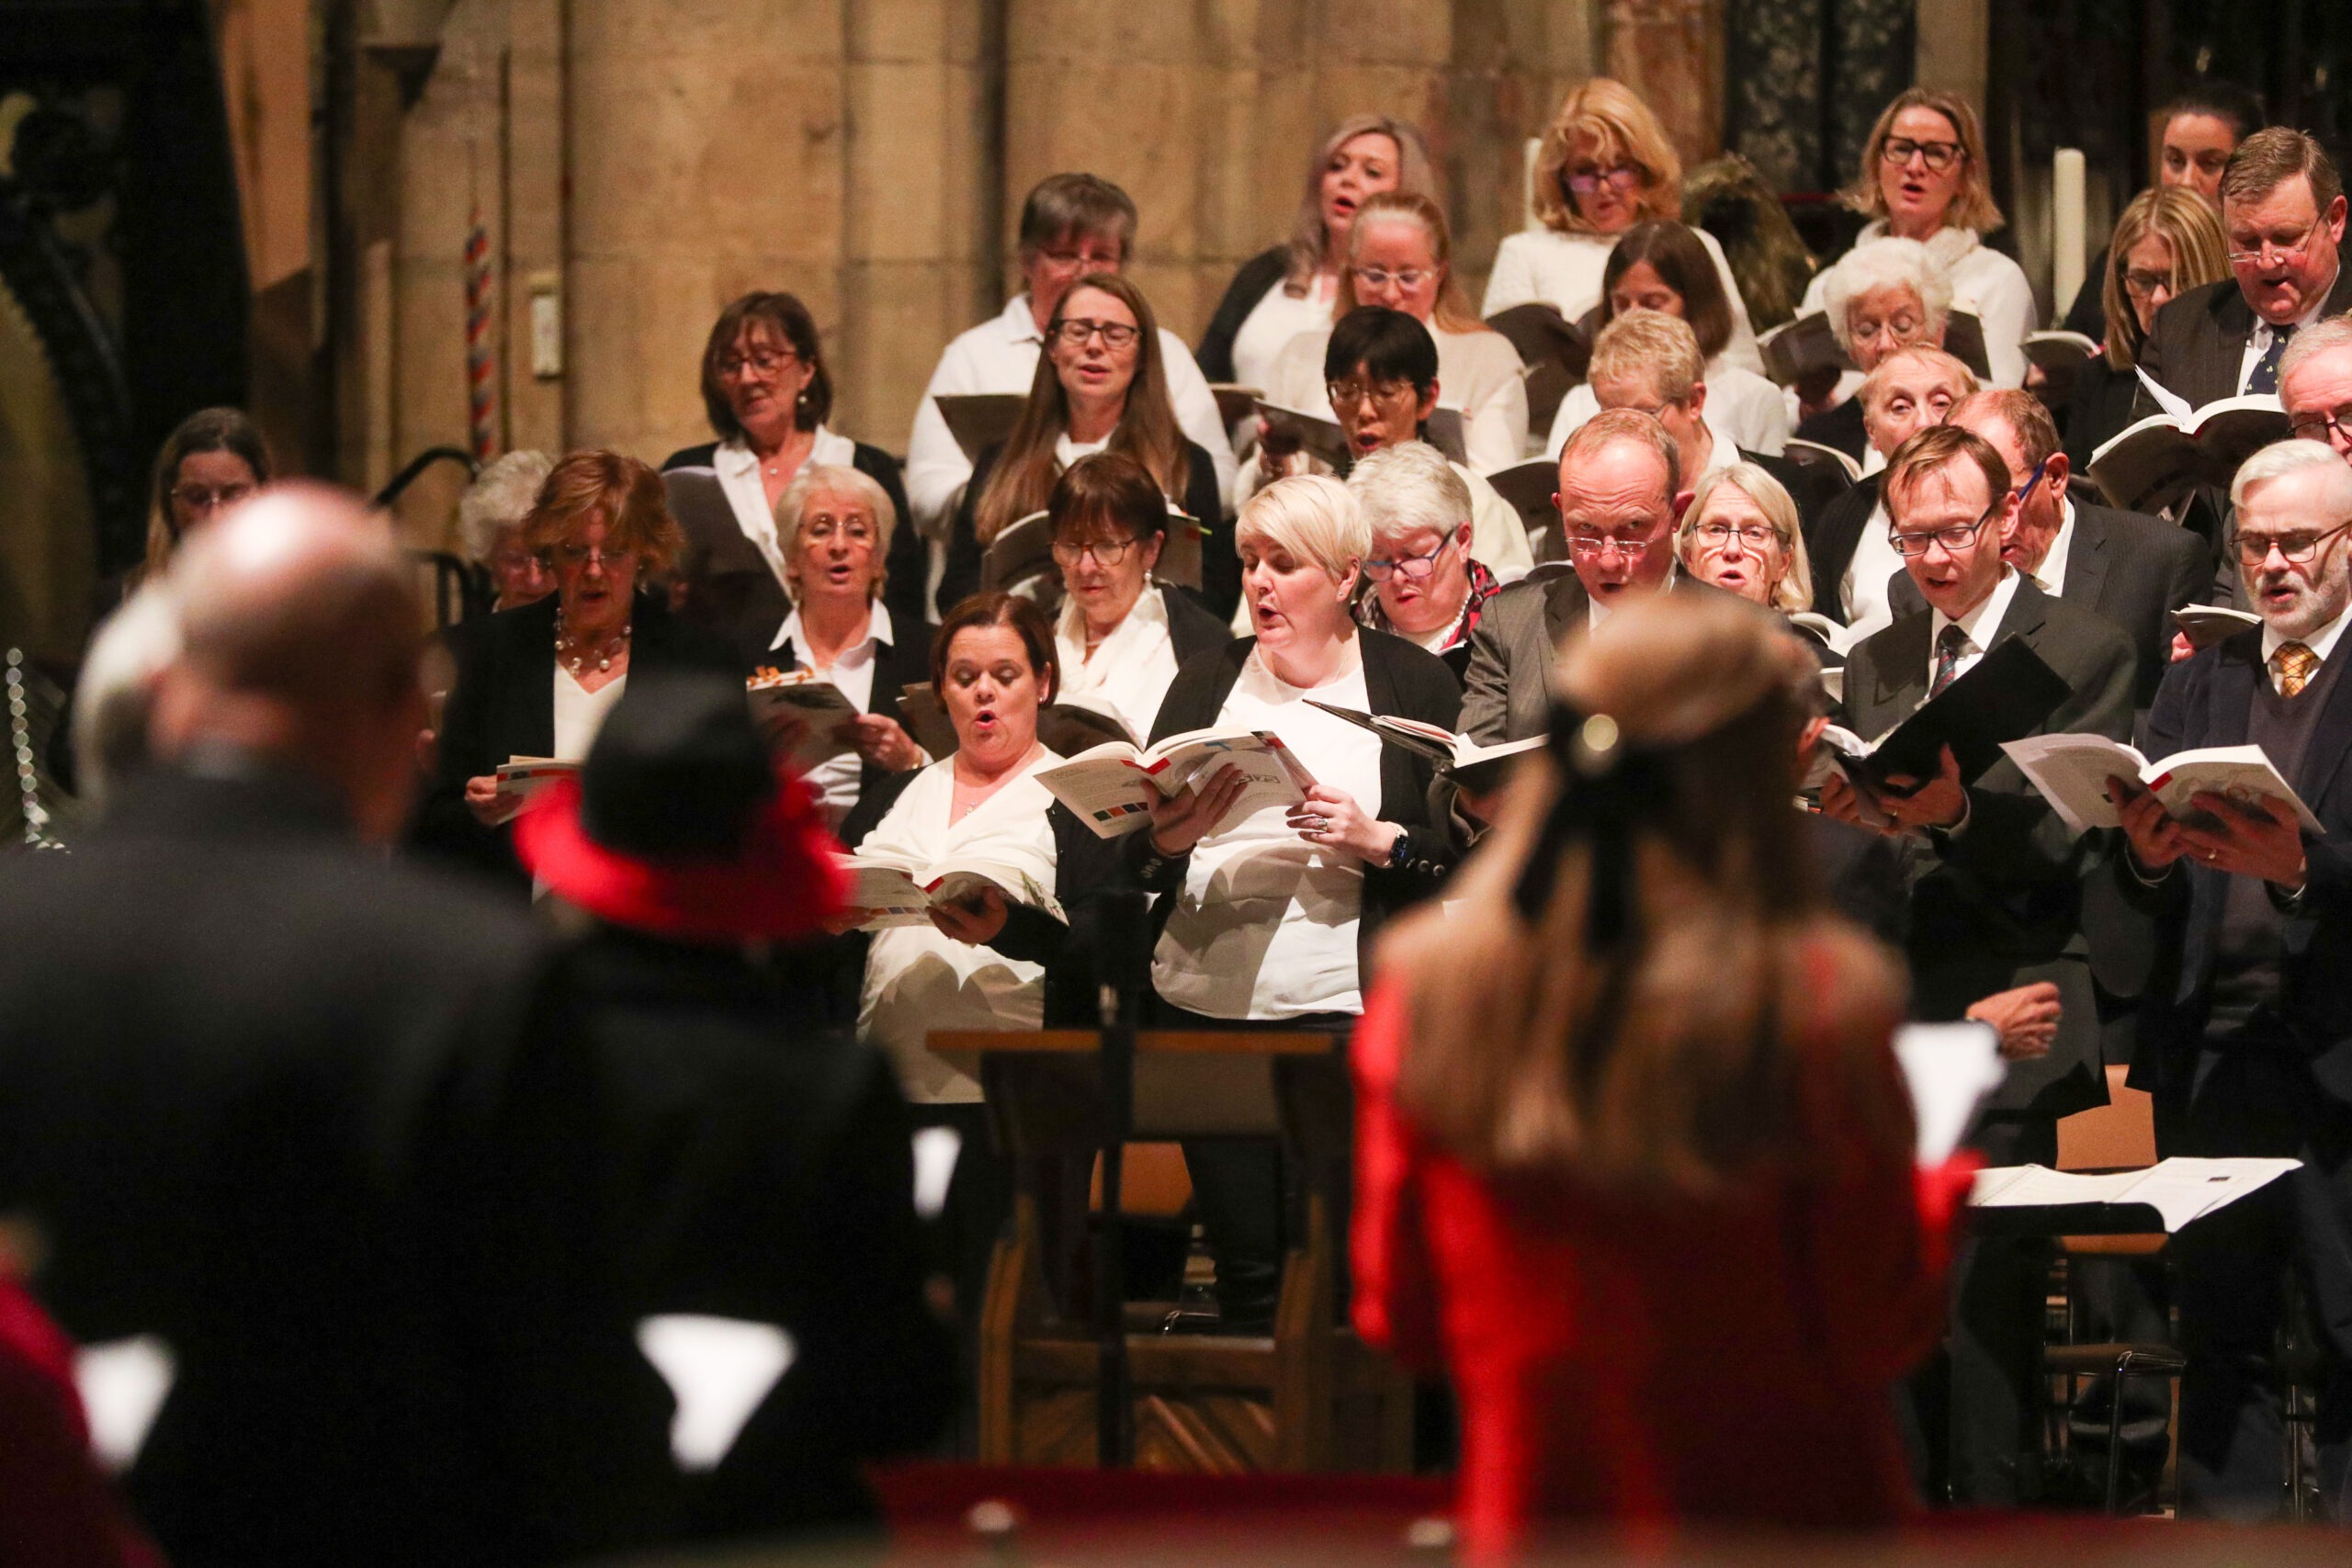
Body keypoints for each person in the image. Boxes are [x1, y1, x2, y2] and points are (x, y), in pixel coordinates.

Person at [0, 485, 679, 1566]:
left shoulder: (17, 938)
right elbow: (572, 1419)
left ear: (171, 691)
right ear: (402, 709)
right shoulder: (474, 981)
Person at [1353, 592, 1947, 1559]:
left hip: (1545, 1519)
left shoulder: (1431, 993)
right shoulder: (1820, 997)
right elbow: (1873, 1319)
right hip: (1785, 1522)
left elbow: (1400, 1313)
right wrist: (1937, 1186)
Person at [512, 667, 953, 1540]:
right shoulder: (829, 1089)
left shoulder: (513, 1054)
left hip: (556, 1517)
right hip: (772, 1525)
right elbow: (904, 1397)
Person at [1823, 424, 2134, 1507]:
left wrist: (1955, 812)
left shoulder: (2082, 647)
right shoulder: (1874, 658)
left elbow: (2076, 835)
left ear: (2007, 520)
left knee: (1980, 1308)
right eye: (1911, 538)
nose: (1935, 558)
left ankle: (1991, 1530)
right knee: (1886, 1297)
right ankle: (1897, 1518)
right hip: (1902, 1011)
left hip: (2028, 995)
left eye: (1955, 531)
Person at [1133, 475, 1460, 1327]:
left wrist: (1373, 837)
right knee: (1246, 1273)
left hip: (1343, 1013)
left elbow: (1463, 866)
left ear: (1347, 576)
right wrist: (1169, 837)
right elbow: (1147, 849)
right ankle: (1250, 1460)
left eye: (1284, 564)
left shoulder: (1413, 685)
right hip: (1207, 1002)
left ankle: (1346, 1460)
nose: (1260, 584)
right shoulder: (1207, 679)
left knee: (1350, 1274)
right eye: (1249, 563)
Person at [2109, 440, 2352, 1519]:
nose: (2272, 563)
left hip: (2340, 1054)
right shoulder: (2199, 680)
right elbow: (2143, 889)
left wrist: (2301, 870)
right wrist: (2147, 851)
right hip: (2214, 1054)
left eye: (2298, 541)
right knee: (2221, 1341)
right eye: (2253, 543)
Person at [836, 592, 1126, 1323]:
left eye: (1005, 673)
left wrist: (1007, 926)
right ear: (942, 690)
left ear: (1045, 683)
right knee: (899, 1320)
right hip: (894, 1091)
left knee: (1009, 1320)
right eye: (965, 675)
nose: (985, 692)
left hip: (1019, 1101)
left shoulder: (1074, 800)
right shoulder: (893, 797)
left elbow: (1100, 946)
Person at [414, 449, 737, 893]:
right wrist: (476, 808)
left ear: (644, 554)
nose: (593, 571)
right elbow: (430, 820)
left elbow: (727, 819)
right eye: (575, 551)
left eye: (615, 552)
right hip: (518, 928)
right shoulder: (481, 654)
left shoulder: (694, 660)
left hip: (649, 926)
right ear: (548, 553)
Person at [906, 174, 1238, 549]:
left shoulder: (1166, 354)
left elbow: (1218, 486)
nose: (1083, 270)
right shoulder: (972, 355)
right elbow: (927, 492)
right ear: (1028, 262)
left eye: (1100, 256)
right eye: (1064, 255)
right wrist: (1011, 494)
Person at [1892, 389, 2211, 711]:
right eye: (1968, 507)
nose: (1996, 523)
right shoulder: (1919, 588)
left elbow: (2185, 718)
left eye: (2004, 501)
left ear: (2056, 476)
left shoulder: (2160, 559)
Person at [937, 272, 1225, 617]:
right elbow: (954, 593)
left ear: (1141, 357)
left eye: (1116, 335)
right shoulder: (1000, 462)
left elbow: (1214, 599)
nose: (1095, 346)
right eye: (1079, 330)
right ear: (1054, 347)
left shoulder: (1185, 464)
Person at [662, 293, 922, 649]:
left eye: (765, 361)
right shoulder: (689, 472)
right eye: (730, 365)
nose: (747, 377)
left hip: (849, 661)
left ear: (807, 370)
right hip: (722, 671)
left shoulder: (866, 466)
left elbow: (903, 595)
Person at [1483, 79, 1763, 375]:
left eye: (1619, 168)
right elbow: (1493, 371)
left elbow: (1743, 366)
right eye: (1585, 172)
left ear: (1646, 168)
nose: (1604, 189)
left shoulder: (1695, 245)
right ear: (1562, 178)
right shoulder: (1525, 252)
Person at [1462, 412, 1695, 745]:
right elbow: (1454, 786)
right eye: (1586, 530)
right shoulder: (1510, 624)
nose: (1609, 560)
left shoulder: (1747, 637)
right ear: (1561, 511)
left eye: (1632, 529)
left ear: (1678, 513)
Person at [1262, 192, 1531, 476]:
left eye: (1408, 278)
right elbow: (1269, 485)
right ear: (1351, 273)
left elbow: (1493, 483)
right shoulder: (1300, 353)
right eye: (1375, 275)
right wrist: (1276, 462)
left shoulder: (1488, 359)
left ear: (1439, 273)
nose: (1391, 294)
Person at [1246, 306, 1532, 572]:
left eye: (1386, 392)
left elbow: (1504, 610)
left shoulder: (1472, 500)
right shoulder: (1318, 506)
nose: (1365, 411)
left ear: (1428, 397)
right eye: (1346, 392)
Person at [1799, 87, 2035, 388]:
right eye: (1901, 149)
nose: (1914, 167)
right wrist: (1811, 404)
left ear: (1965, 176)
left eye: (1937, 154)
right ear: (1876, 163)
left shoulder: (1998, 280)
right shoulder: (1829, 285)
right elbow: (1791, 407)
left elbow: (2000, 396)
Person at [1194, 115, 1435, 391]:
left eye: (1372, 172)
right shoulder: (1268, 270)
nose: (1348, 180)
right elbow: (1206, 373)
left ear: (1403, 194)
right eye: (1337, 166)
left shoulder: (1402, 291)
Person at [754, 464, 932, 827]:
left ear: (880, 558)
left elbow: (973, 784)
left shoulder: (930, 651)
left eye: (857, 531)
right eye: (820, 530)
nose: (839, 546)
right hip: (775, 860)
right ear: (790, 558)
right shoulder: (743, 652)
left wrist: (911, 761)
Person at [1571, 310, 1847, 531]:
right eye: (1612, 418)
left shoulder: (1789, 493)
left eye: (1645, 414)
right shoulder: (1601, 506)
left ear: (1694, 402)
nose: (1626, 436)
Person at [2139, 128, 2352, 412]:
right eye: (2247, 242)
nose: (2266, 261)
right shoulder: (2180, 326)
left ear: (2334, 220)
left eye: (2285, 238)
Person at [1544, 220, 1790, 455]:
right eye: (1621, 304)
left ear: (1696, 303)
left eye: (1652, 304)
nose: (1634, 318)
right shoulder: (1579, 402)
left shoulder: (1754, 397)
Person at [1044, 454, 1233, 741]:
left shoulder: (1201, 644)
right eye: (1070, 546)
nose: (1085, 567)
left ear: (1150, 550)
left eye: (1107, 547)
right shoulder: (1038, 635)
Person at [2061, 81, 2264, 343]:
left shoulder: (2262, 264)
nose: (2187, 181)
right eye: (2175, 161)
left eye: (2210, 163)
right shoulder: (2130, 253)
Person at [1803, 345, 1979, 637]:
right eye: (1900, 407)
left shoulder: (2004, 506)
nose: (1923, 422)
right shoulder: (1844, 516)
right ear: (1871, 431)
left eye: (1941, 403)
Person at [2064, 187, 2232, 469]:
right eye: (2142, 280)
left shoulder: (2236, 369)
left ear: (2210, 275)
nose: (2159, 298)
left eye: (2179, 278)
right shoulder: (2098, 379)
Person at [1794, 235, 1956, 461]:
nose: (1886, 345)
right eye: (1867, 331)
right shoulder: (1819, 438)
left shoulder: (1972, 425)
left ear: (1936, 332)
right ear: (1850, 347)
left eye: (1903, 326)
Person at [1348, 439, 1502, 675]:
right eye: (1380, 559)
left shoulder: (1508, 632)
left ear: (1462, 541)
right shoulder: (1344, 636)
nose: (1398, 577)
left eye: (1414, 555)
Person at [1677, 462, 1820, 636]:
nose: (1732, 549)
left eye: (1754, 533)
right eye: (1716, 530)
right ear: (1688, 555)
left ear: (1783, 563)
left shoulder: (1816, 663)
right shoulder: (1651, 657)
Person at [457, 448, 557, 612]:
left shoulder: (604, 636)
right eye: (515, 560)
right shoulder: (456, 638)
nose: (534, 580)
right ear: (489, 558)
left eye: (546, 558)